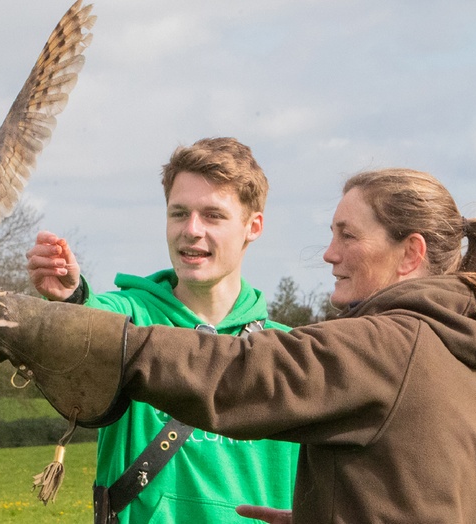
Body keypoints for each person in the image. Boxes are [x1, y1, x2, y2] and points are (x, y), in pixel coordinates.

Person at [0, 168, 476, 523]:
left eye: (348, 235)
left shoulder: (387, 347)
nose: (328, 253)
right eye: (178, 212)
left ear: (410, 253)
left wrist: (43, 328)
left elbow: (234, 375)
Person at [25, 137, 298, 523]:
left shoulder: (288, 351)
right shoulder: (129, 315)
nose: (191, 229)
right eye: (179, 213)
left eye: (213, 215)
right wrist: (71, 295)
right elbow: (88, 324)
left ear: (253, 226)